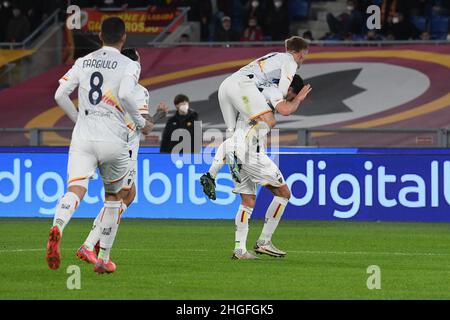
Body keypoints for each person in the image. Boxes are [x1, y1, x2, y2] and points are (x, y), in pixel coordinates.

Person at [47, 17, 154, 274]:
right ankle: (103, 258)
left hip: (83, 136)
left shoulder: (83, 61)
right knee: (115, 198)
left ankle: (58, 226)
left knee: (76, 189)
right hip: (114, 139)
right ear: (124, 37)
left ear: (99, 36)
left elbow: (59, 94)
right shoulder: (129, 65)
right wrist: (142, 122)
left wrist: (78, 119)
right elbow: (127, 95)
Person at [200, 36, 311, 259]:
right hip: (252, 153)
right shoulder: (270, 90)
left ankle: (240, 249)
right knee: (284, 194)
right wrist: (298, 99)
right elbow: (286, 109)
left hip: (236, 150)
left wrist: (213, 170)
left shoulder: (249, 92)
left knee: (248, 201)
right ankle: (264, 241)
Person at [76, 48, 169, 265]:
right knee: (118, 198)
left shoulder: (106, 88)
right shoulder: (137, 90)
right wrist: (159, 115)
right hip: (124, 149)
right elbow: (145, 128)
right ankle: (90, 244)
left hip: (100, 144)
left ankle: (98, 237)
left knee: (128, 195)